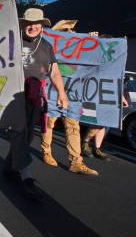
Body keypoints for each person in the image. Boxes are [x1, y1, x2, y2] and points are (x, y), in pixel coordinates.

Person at [4, 8, 69, 199]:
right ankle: (26, 178)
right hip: (12, 97)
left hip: (34, 98)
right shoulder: (10, 41)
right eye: (28, 23)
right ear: (22, 24)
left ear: (42, 25)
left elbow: (54, 72)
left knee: (28, 136)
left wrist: (62, 93)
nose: (32, 27)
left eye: (36, 23)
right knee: (18, 133)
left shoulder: (47, 46)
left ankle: (10, 168)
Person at [40, 20, 98, 175]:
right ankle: (46, 151)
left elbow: (95, 57)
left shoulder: (79, 48)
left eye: (72, 30)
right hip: (53, 90)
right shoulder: (49, 47)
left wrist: (92, 40)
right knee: (49, 123)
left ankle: (76, 162)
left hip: (73, 93)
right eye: (65, 31)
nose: (71, 32)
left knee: (73, 126)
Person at [81, 34, 129, 161]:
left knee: (105, 123)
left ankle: (97, 148)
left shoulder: (113, 61)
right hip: (96, 93)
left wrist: (122, 97)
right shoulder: (96, 58)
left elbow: (116, 80)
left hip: (109, 94)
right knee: (100, 122)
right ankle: (85, 142)